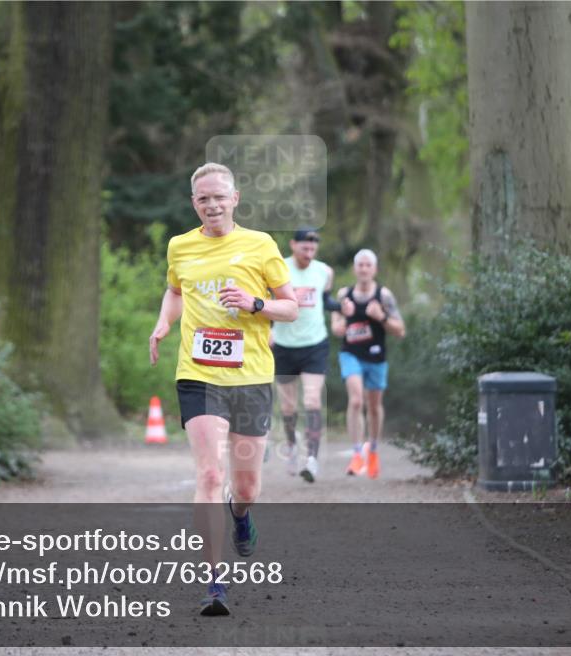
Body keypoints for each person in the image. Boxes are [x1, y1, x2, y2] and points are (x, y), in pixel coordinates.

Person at [148, 162, 298, 616]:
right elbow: (175, 291)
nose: (211, 205)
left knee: (246, 486)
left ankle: (241, 513)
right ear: (194, 204)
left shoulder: (260, 244)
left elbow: (290, 308)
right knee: (210, 475)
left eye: (219, 197)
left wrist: (255, 304)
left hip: (250, 376)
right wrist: (162, 323)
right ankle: (214, 583)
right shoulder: (180, 246)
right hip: (199, 373)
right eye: (202, 199)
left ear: (235, 199)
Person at [270, 228, 341, 483]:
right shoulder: (280, 268)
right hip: (284, 345)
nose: (309, 253)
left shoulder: (325, 271)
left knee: (312, 400)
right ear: (293, 245)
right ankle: (291, 445)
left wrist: (344, 306)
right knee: (288, 406)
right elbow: (269, 300)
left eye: (313, 249)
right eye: (304, 248)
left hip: (314, 345)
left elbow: (325, 300)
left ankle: (311, 459)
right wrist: (269, 329)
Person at [330, 249, 406, 479]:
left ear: (374, 269)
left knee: (373, 407)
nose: (363, 269)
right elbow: (335, 327)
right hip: (350, 354)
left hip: (376, 357)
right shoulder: (345, 294)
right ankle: (356, 454)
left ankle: (372, 450)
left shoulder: (384, 296)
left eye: (368, 265)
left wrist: (380, 317)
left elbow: (400, 330)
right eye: (360, 265)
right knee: (355, 400)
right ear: (355, 269)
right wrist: (342, 323)